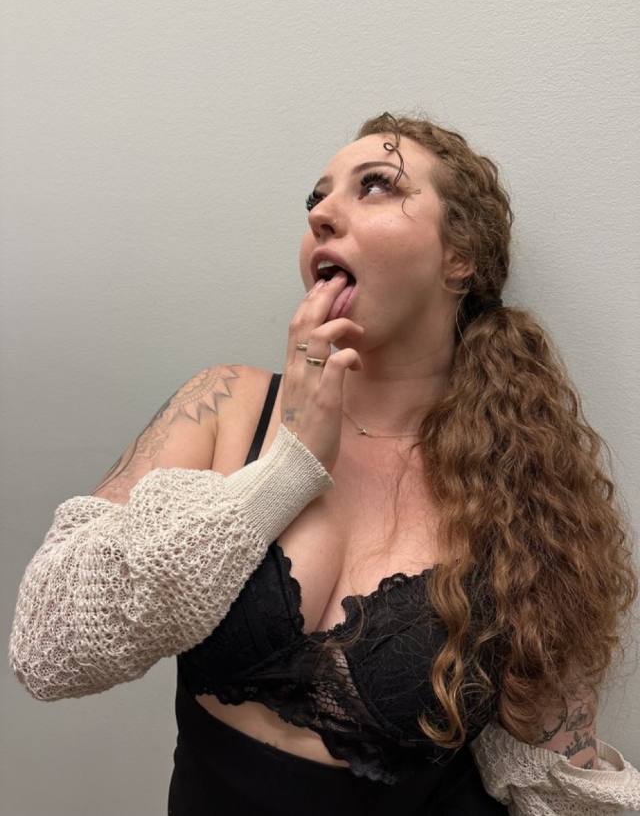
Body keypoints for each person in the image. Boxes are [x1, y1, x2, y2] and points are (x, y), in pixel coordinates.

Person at [8, 111, 640, 815]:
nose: (322, 214)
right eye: (317, 198)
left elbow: (558, 781)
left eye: (376, 186)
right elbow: (46, 647)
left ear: (459, 255)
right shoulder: (225, 405)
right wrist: (285, 468)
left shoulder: (517, 486)